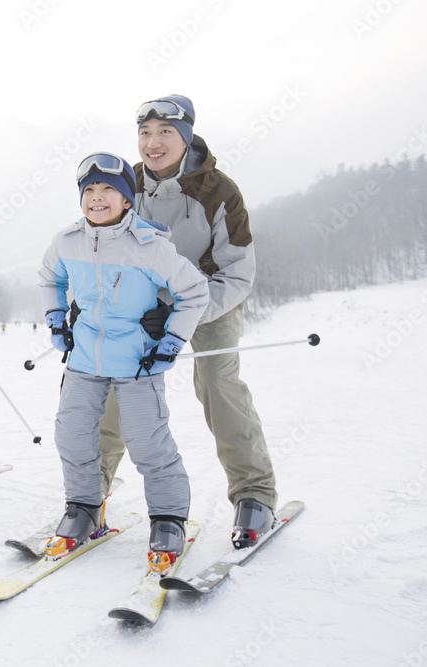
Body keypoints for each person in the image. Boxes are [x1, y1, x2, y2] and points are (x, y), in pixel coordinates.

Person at [97, 94, 278, 548]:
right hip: (144, 303)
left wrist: (182, 311)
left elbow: (238, 273)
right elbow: (101, 249)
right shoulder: (126, 184)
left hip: (210, 297)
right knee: (118, 376)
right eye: (145, 133)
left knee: (217, 382)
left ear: (187, 137)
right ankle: (91, 488)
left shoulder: (219, 191)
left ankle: (255, 493)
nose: (152, 143)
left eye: (164, 133)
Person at [39, 152, 208, 571]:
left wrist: (171, 339)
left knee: (147, 441)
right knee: (72, 434)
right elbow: (50, 278)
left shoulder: (150, 247)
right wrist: (56, 317)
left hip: (138, 363)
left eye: (108, 190)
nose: (97, 198)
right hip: (83, 360)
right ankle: (83, 507)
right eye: (89, 190)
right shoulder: (66, 241)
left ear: (128, 199)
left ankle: (168, 517)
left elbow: (195, 292)